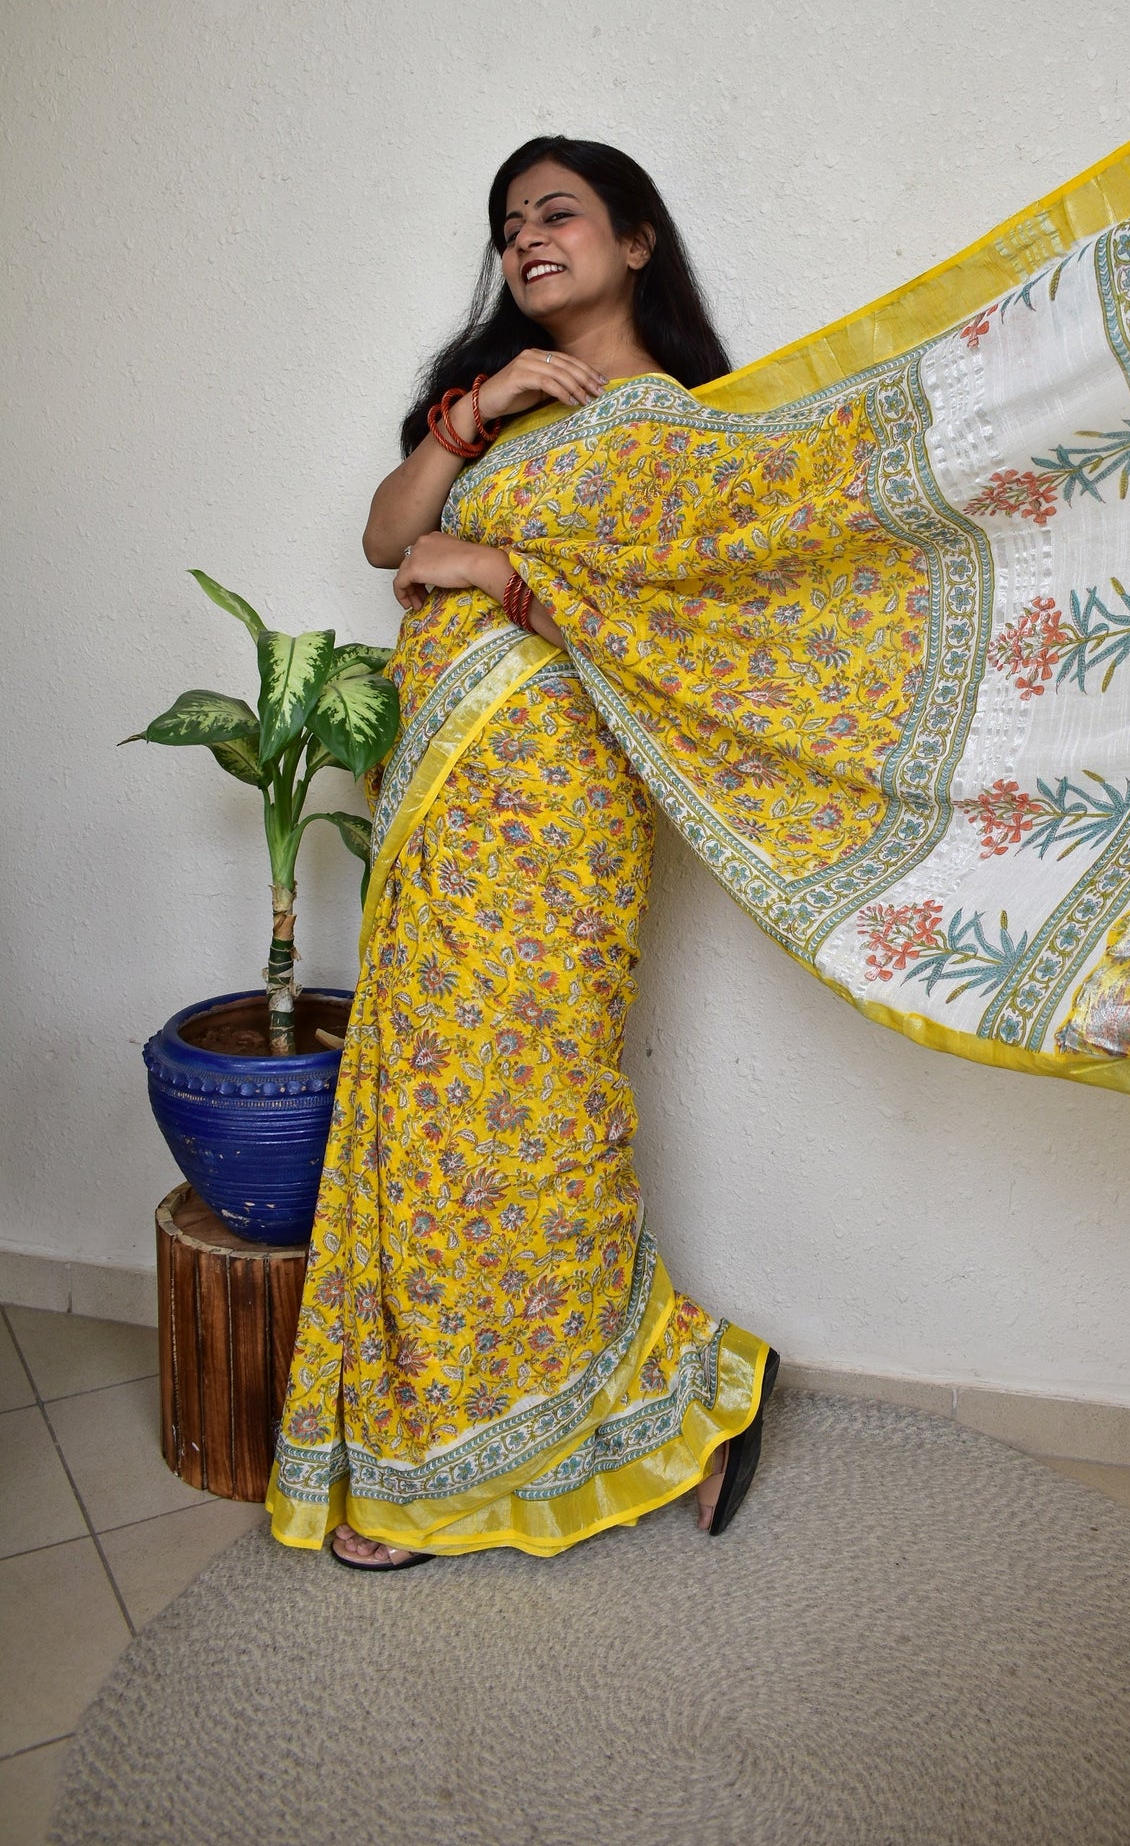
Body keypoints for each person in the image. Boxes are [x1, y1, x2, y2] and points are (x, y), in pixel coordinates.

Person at [266, 139, 778, 1568]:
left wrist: (489, 571)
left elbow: (682, 640)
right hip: (439, 808)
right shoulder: (497, 413)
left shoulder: (675, 428)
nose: (526, 239)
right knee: (427, 1119)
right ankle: (442, 1430)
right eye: (507, 226)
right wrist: (473, 409)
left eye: (557, 214)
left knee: (529, 1111)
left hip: (559, 819)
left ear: (636, 242)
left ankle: (652, 1389)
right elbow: (384, 535)